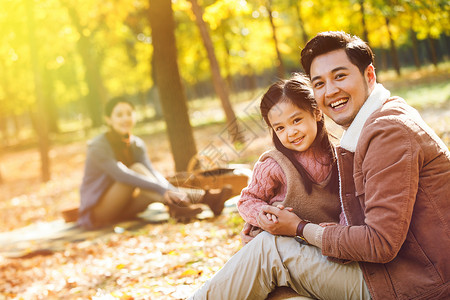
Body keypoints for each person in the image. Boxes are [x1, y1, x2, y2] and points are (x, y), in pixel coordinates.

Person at [190, 31, 450, 300]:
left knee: (271, 252)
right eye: (320, 83)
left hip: (412, 281)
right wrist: (269, 224)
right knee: (276, 291)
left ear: (369, 76)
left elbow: (380, 243)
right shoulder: (374, 125)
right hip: (397, 271)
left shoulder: (388, 132)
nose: (331, 91)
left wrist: (298, 230)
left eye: (340, 76)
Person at [78, 97, 231, 229]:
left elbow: (151, 172)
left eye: (129, 113)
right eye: (119, 115)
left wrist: (167, 189)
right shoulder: (98, 146)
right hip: (100, 211)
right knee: (137, 170)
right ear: (108, 119)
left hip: (125, 207)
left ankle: (207, 200)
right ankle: (194, 202)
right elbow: (121, 175)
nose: (125, 118)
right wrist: (162, 189)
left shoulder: (136, 144)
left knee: (150, 184)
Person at [237, 73, 341, 242]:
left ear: (316, 113)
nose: (291, 132)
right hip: (282, 242)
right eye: (280, 128)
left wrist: (341, 226)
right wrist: (262, 216)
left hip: (323, 243)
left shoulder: (340, 159)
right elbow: (247, 200)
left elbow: (351, 205)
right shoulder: (274, 165)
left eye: (296, 120)